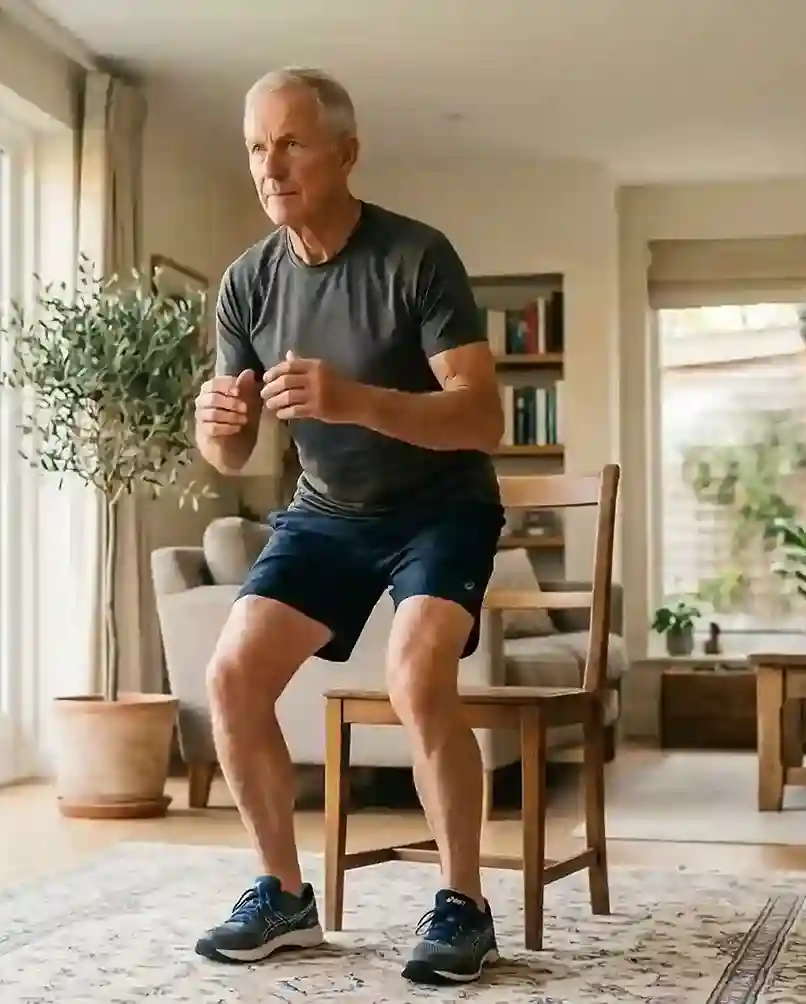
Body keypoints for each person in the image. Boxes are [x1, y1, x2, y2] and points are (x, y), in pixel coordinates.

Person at [190, 66, 508, 987]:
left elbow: (482, 418)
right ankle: (284, 895)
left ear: (345, 152)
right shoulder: (248, 284)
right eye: (256, 146)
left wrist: (356, 400)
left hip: (442, 508)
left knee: (416, 675)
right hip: (328, 512)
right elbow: (235, 453)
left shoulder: (416, 257)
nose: (270, 165)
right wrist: (218, 431)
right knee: (233, 675)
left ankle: (462, 906)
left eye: (290, 142)